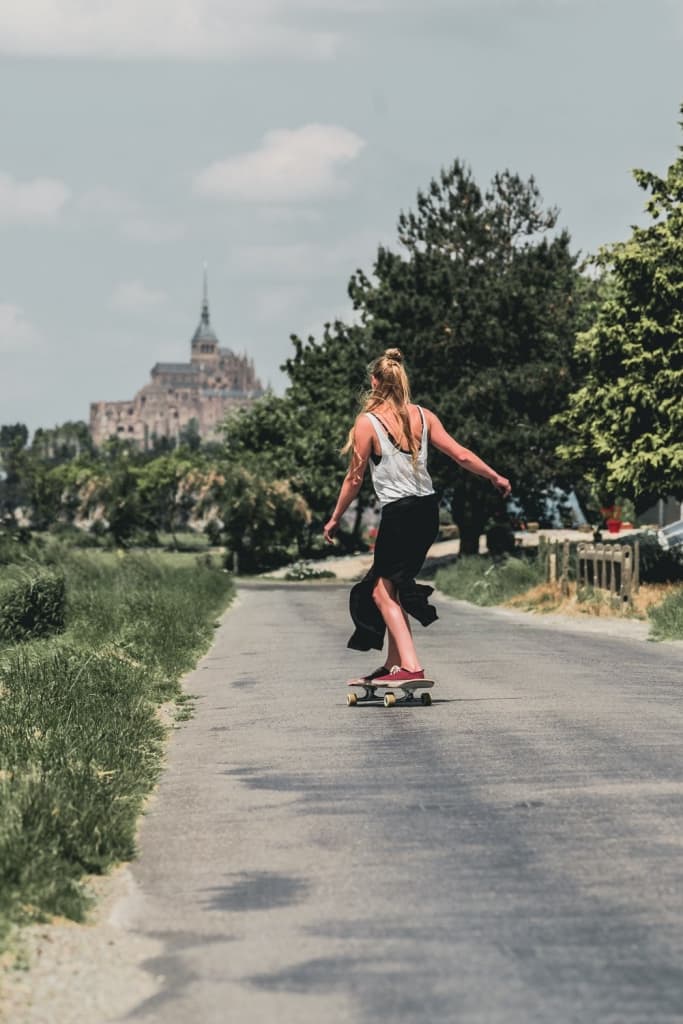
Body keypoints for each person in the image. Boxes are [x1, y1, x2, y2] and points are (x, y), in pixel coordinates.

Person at [323, 348, 511, 684]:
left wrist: (336, 517)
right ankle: (395, 665)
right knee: (390, 589)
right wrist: (494, 476)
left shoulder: (367, 423)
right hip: (427, 513)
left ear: (374, 381)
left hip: (400, 515)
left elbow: (354, 479)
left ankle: (410, 665)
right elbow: (462, 455)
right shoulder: (424, 416)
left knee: (379, 592)